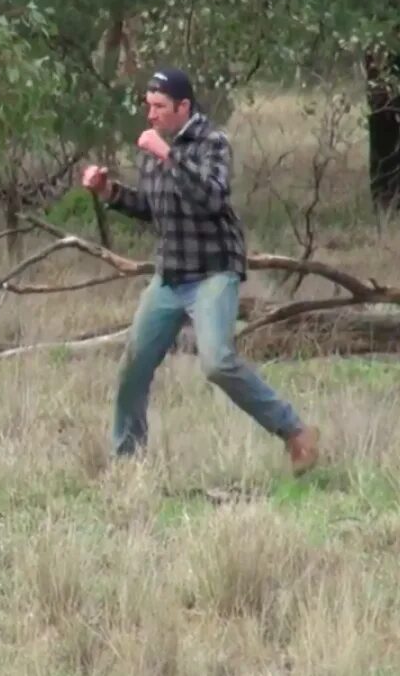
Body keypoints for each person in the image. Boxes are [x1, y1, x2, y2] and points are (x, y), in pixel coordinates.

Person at [81, 66, 320, 475]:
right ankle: (127, 461)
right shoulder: (157, 146)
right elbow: (155, 209)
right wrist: (110, 192)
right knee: (133, 367)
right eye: (148, 106)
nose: (151, 114)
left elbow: (210, 199)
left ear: (184, 107)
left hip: (213, 272)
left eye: (159, 106)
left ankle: (294, 431)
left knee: (217, 362)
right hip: (170, 277)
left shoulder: (213, 143)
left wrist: (168, 155)